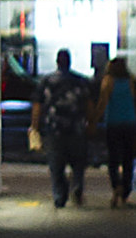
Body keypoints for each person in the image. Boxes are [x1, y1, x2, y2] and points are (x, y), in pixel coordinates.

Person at [36, 52, 94, 211]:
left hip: (54, 129)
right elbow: (89, 104)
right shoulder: (81, 81)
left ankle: (59, 196)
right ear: (69, 62)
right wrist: (91, 123)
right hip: (77, 127)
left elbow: (38, 105)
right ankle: (77, 186)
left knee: (56, 164)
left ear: (57, 62)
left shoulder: (46, 81)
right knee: (78, 162)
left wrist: (35, 126)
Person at [95, 56, 136, 208]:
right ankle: (125, 191)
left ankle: (116, 186)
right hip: (131, 123)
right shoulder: (132, 81)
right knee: (128, 159)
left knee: (113, 158)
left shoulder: (108, 81)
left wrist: (94, 120)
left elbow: (103, 102)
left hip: (113, 124)